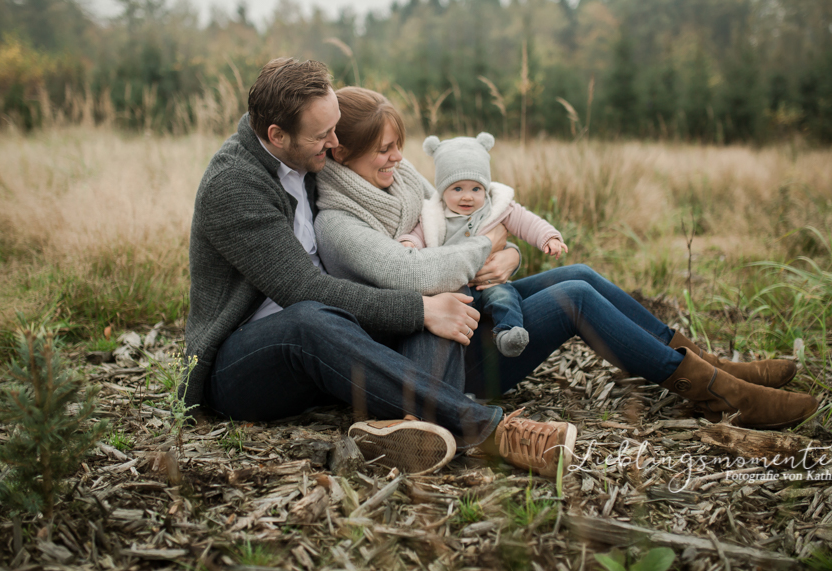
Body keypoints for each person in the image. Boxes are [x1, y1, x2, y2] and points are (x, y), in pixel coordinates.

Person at [313, 87, 819, 433]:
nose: (399, 158)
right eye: (384, 149)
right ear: (341, 154)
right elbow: (418, 273)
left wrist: (509, 255)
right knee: (573, 298)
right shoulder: (337, 223)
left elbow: (464, 223)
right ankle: (717, 395)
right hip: (437, 368)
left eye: (399, 146)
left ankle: (714, 368)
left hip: (469, 313)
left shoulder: (397, 181)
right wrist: (489, 249)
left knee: (578, 274)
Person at [182, 58, 576, 479]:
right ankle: (489, 428)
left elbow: (438, 215)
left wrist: (503, 248)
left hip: (334, 340)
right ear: (277, 136)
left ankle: (404, 430)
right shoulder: (235, 184)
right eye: (323, 135)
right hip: (245, 365)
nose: (336, 142)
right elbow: (303, 289)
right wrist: (419, 310)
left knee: (429, 295)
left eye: (336, 128)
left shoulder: (313, 155)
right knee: (314, 319)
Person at [396, 132, 566, 358]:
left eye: (476, 189)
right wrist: (409, 242)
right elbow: (419, 234)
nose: (467, 197)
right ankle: (459, 363)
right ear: (442, 189)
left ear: (485, 189)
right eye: (457, 189)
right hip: (453, 288)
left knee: (505, 297)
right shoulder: (433, 215)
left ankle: (507, 334)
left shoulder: (496, 208)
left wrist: (548, 237)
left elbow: (527, 222)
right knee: (454, 322)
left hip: (488, 283)